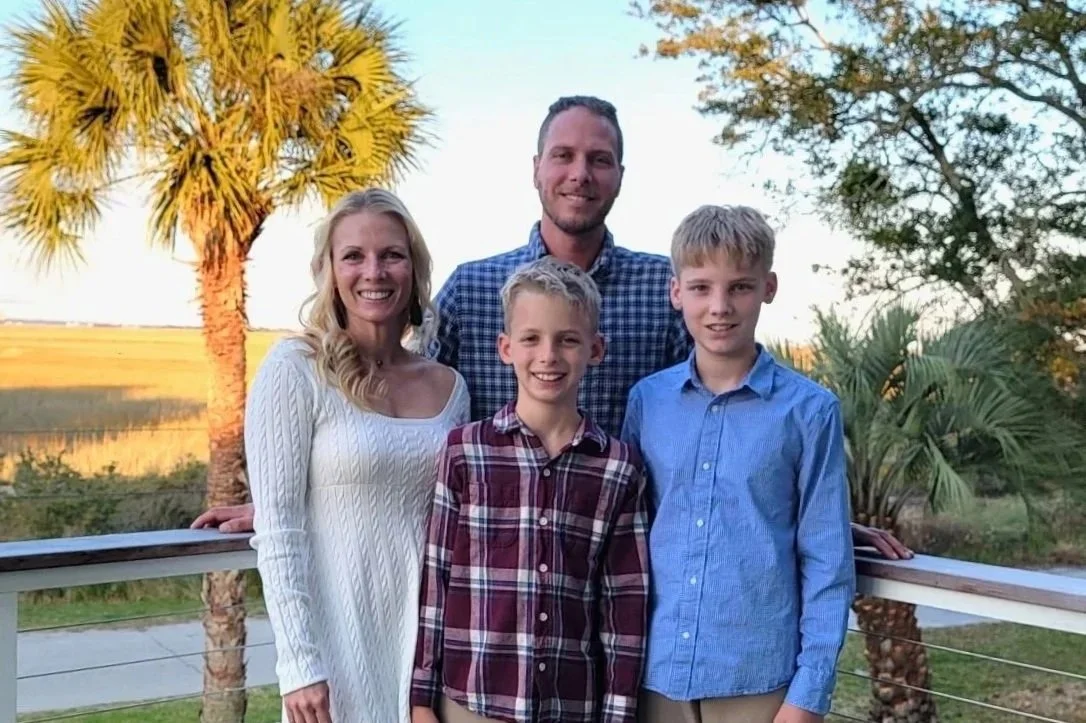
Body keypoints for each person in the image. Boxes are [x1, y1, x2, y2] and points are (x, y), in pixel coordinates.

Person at [191, 96, 912, 563]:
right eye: (563, 156)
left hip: (627, 569)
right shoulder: (474, 290)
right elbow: (414, 429)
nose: (580, 173)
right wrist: (292, 498)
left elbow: (712, 424)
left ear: (620, 174)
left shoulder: (666, 292)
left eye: (598, 159)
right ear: (536, 168)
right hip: (495, 572)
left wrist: (814, 522)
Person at [245, 188, 470, 723]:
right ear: (328, 270)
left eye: (392, 254)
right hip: (334, 650)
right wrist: (299, 664)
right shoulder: (295, 368)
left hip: (432, 651)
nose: (374, 271)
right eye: (354, 256)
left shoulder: (450, 387)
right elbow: (278, 527)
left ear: (414, 267)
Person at [624, 204, 855, 723]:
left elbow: (827, 563)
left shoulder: (810, 411)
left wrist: (808, 697)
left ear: (768, 288)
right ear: (676, 291)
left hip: (758, 682)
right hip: (652, 674)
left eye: (741, 287)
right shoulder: (647, 402)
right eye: (702, 287)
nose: (720, 306)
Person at [410, 256, 651, 723]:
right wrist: (422, 700)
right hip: (470, 702)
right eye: (531, 339)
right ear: (505, 348)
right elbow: (435, 582)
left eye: (568, 340)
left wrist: (618, 714)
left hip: (571, 707)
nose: (548, 356)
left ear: (595, 350)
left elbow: (625, 605)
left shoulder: (619, 467)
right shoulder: (465, 451)